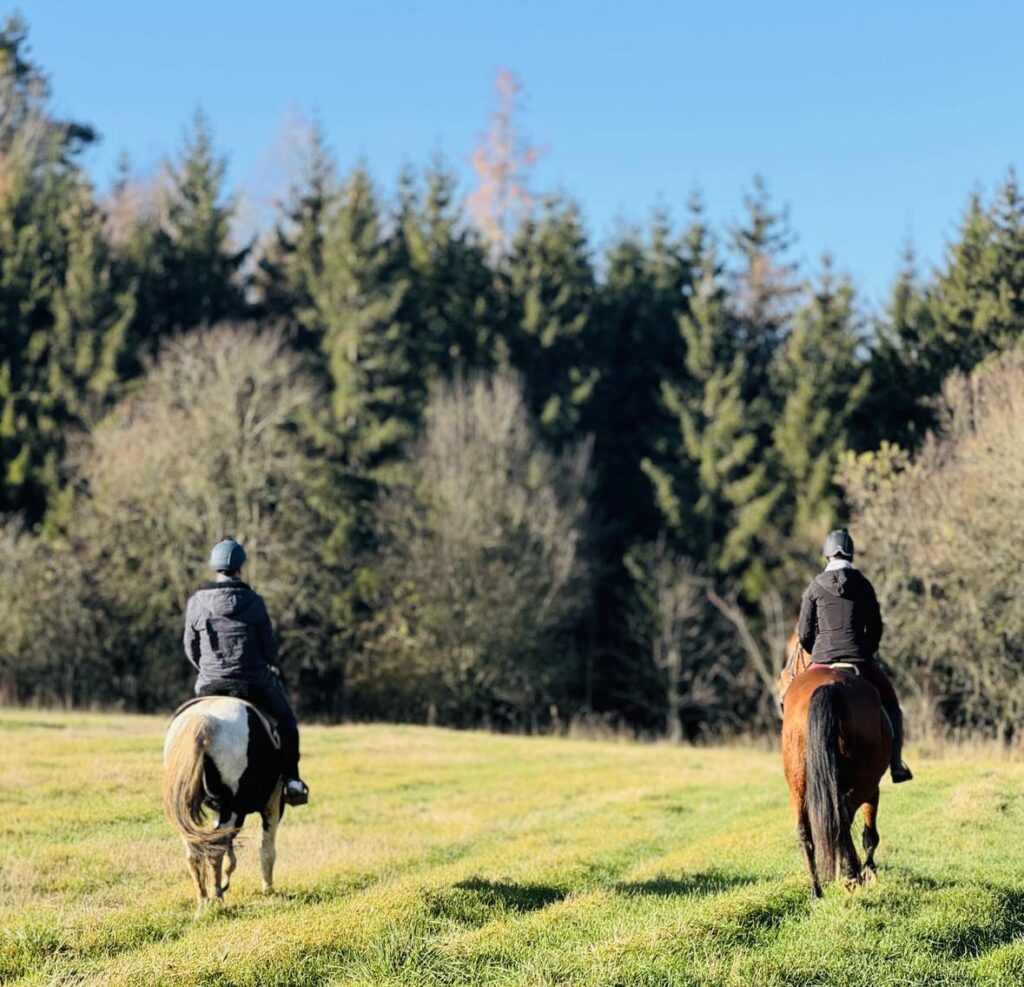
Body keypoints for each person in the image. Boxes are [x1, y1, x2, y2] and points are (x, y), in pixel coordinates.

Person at [183, 538, 309, 805]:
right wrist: (271, 663)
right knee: (287, 721)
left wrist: (207, 669)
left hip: (209, 684)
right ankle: (293, 781)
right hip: (252, 682)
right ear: (240, 568)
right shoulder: (254, 601)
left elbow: (190, 648)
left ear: (215, 568)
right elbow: (269, 649)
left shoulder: (196, 603)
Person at [797, 528, 913, 783]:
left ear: (827, 554)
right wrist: (866, 651)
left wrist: (815, 650)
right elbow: (875, 627)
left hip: (822, 660)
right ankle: (896, 765)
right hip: (858, 659)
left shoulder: (815, 587)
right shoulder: (863, 584)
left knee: (793, 699)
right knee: (892, 705)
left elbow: (803, 632)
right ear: (850, 552)